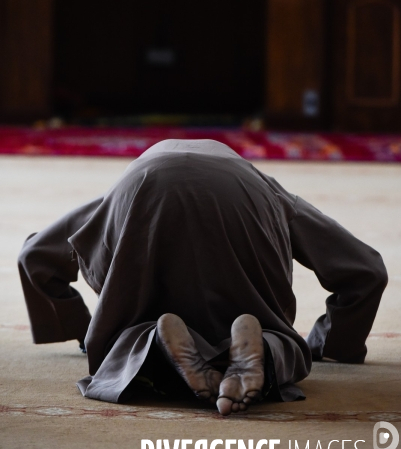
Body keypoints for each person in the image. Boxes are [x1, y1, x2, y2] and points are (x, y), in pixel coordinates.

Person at [18, 139, 388, 416]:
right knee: (285, 342)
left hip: (142, 190)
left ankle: (154, 344)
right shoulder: (267, 187)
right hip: (243, 195)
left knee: (126, 341)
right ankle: (267, 348)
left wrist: (85, 331)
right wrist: (330, 344)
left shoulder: (122, 189)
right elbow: (365, 271)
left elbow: (35, 258)